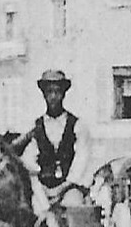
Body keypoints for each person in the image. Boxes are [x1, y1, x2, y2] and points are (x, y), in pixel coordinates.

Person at [9, 70, 92, 201]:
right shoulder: (35, 127)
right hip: (42, 188)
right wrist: (42, 187)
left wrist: (62, 188)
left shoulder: (78, 125)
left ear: (64, 94)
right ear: (43, 94)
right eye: (49, 92)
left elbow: (81, 162)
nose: (53, 96)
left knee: (73, 208)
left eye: (57, 91)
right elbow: (30, 160)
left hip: (70, 188)